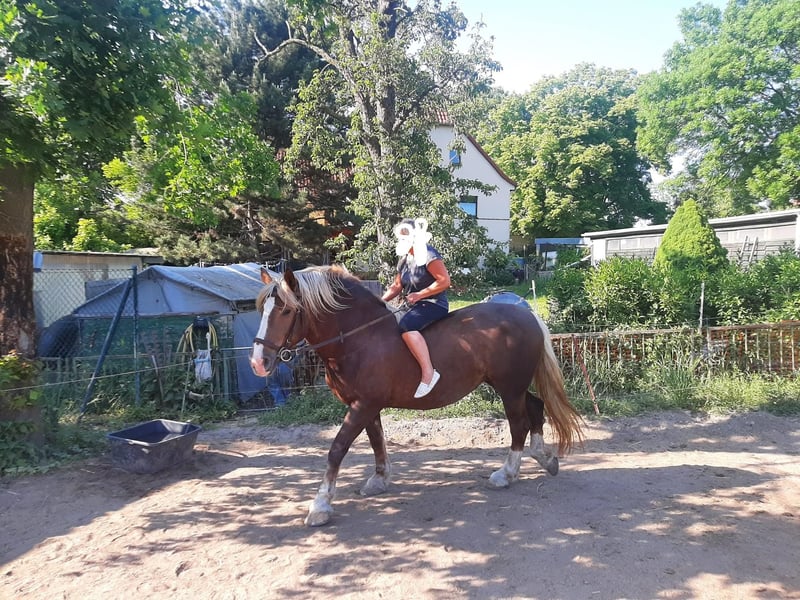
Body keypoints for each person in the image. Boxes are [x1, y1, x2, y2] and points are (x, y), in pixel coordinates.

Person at [381, 217, 451, 398]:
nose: (402, 239)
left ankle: (429, 373)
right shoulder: (404, 259)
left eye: (405, 235)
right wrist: (379, 302)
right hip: (413, 305)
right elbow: (397, 286)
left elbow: (444, 281)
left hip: (433, 304)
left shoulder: (428, 254)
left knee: (406, 326)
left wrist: (420, 295)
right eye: (400, 236)